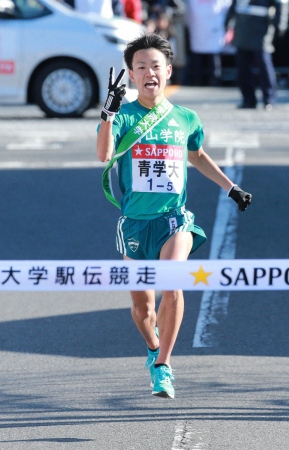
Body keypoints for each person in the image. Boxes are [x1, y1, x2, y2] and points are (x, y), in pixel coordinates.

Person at [96, 33, 252, 399]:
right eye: (140, 67)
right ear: (131, 75)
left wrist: (231, 188)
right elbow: (103, 155)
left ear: (168, 70)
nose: (149, 72)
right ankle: (153, 348)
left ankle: (164, 365)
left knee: (172, 280)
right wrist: (108, 112)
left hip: (174, 219)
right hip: (135, 223)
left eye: (155, 65)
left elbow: (196, 155)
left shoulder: (185, 118)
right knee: (142, 308)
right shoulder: (123, 115)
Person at [225, 0, 289, 109]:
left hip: (261, 28)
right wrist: (228, 20)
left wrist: (280, 25)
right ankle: (248, 100)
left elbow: (281, 4)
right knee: (243, 67)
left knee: (264, 65)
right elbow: (235, 4)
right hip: (242, 27)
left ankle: (268, 99)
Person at [185, 0, 232, 86]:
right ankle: (199, 80)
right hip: (200, 28)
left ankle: (212, 80)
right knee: (200, 57)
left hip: (213, 29)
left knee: (213, 57)